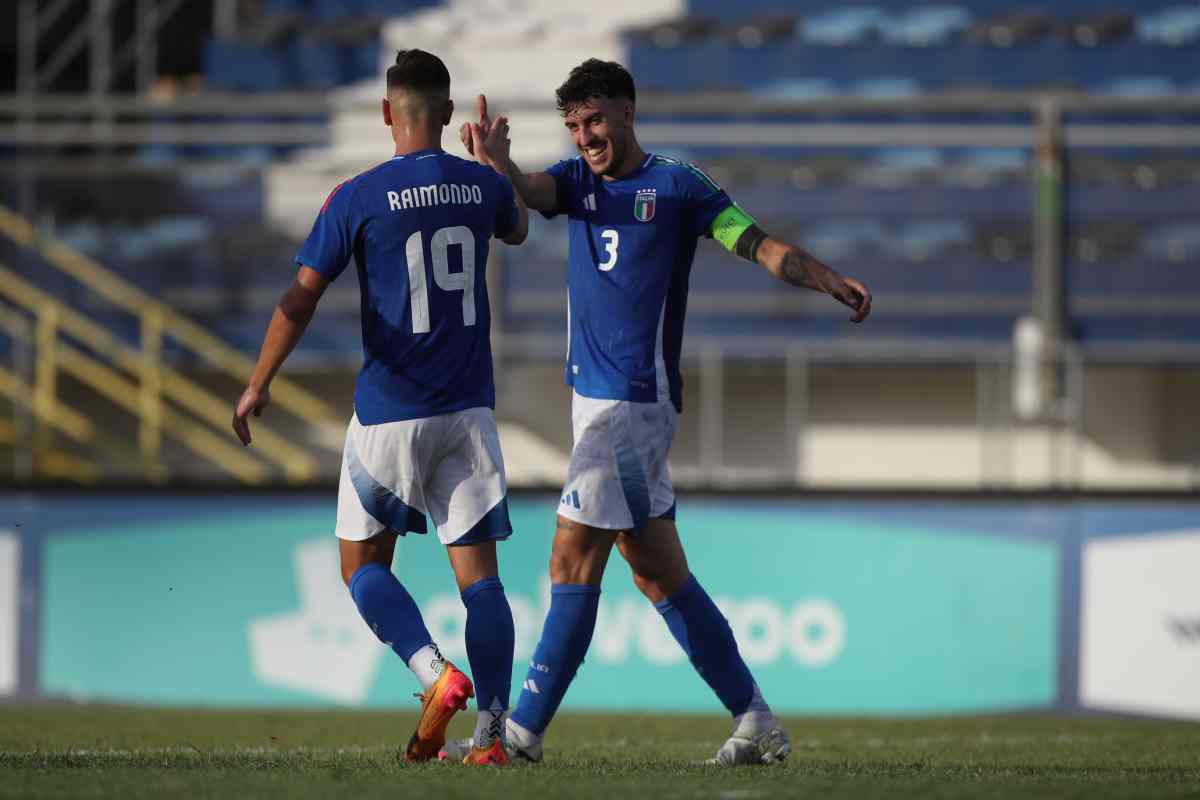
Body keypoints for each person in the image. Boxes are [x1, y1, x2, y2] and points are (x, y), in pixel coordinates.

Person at [450, 59, 872, 766]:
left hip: (630, 406)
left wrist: (827, 279)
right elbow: (530, 189)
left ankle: (519, 737)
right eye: (576, 125)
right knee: (656, 571)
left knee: (571, 557)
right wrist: (500, 163)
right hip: (599, 406)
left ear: (628, 113)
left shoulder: (679, 187)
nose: (587, 136)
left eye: (597, 120)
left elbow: (759, 243)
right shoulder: (576, 182)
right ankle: (755, 720)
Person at [232, 48, 528, 766]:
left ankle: (434, 676)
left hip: (390, 411)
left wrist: (259, 381)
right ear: (450, 114)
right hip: (468, 411)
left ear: (386, 113)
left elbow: (300, 297)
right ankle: (490, 736)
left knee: (362, 567)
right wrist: (492, 162)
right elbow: (517, 226)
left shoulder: (358, 196)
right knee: (482, 582)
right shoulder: (476, 188)